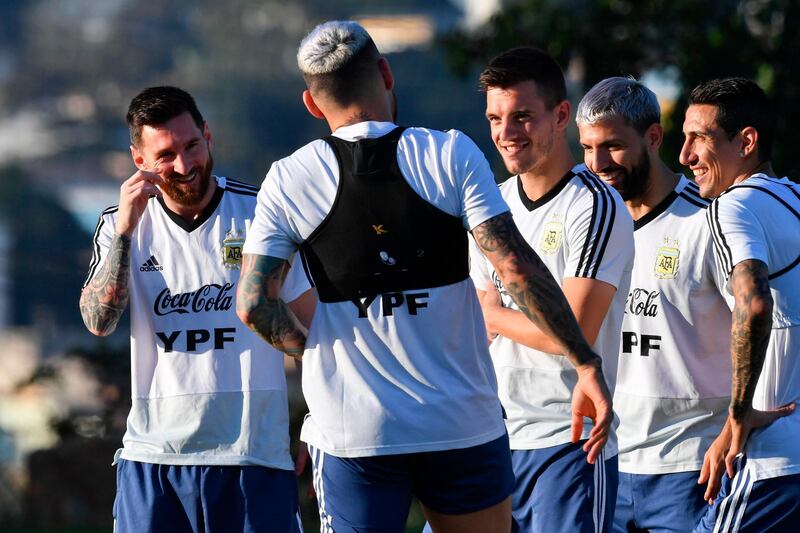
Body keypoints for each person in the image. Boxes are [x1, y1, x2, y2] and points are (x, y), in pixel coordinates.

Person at [236, 21, 613, 533]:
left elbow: (253, 302)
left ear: (311, 103)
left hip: (354, 433)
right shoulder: (451, 152)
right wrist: (585, 361)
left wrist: (315, 348)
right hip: (461, 425)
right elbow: (514, 265)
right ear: (386, 74)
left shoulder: (289, 177)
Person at [79, 86, 313, 533]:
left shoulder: (262, 212)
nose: (185, 166)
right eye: (166, 155)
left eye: (192, 146)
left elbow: (311, 328)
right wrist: (127, 233)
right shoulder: (118, 223)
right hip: (155, 459)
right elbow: (98, 321)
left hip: (253, 455)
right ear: (139, 160)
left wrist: (316, 419)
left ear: (208, 135)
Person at [468, 48, 633, 533]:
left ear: (561, 115)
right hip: (492, 440)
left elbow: (573, 332)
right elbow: (475, 320)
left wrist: (497, 316)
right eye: (495, 118)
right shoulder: (490, 206)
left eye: (522, 117)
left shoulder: (596, 206)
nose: (506, 133)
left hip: (569, 442)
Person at [576, 77, 733, 532]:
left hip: (692, 467)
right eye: (587, 148)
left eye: (612, 146)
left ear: (653, 137)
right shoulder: (588, 225)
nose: (597, 163)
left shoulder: (709, 221)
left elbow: (761, 329)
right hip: (602, 464)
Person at [678, 77, 800, 532]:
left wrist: (737, 415)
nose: (684, 155)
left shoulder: (734, 205)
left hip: (772, 463)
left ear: (746, 141)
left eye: (699, 139)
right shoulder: (792, 198)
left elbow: (753, 304)